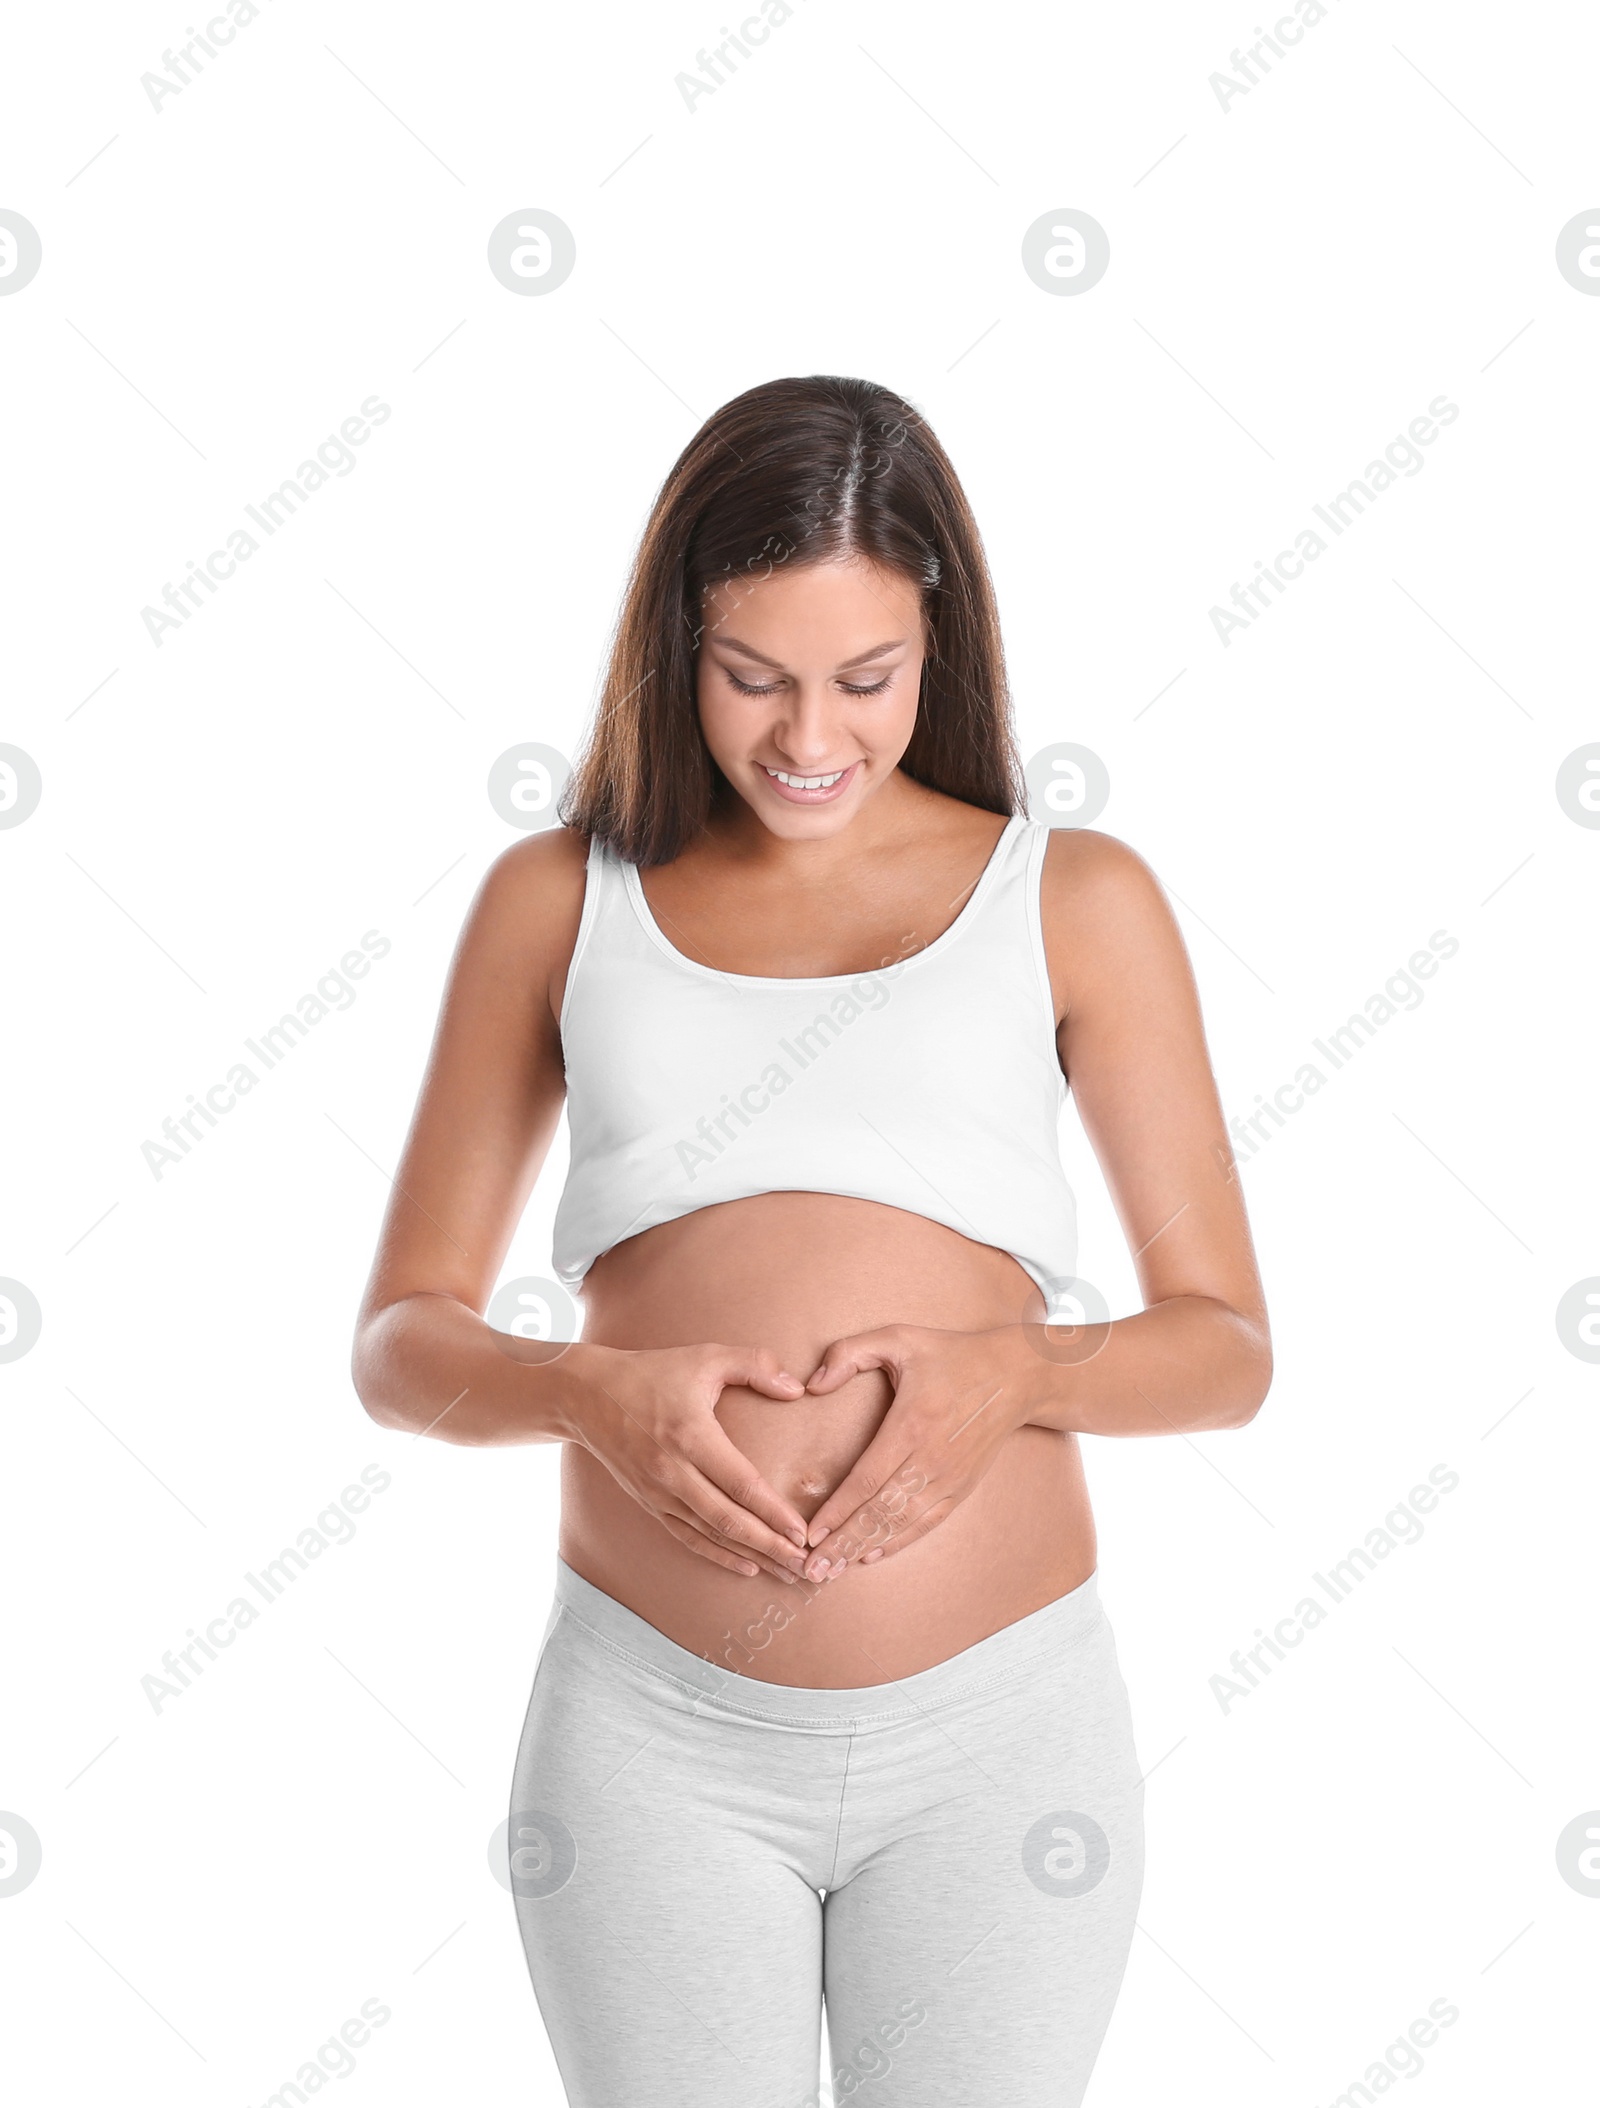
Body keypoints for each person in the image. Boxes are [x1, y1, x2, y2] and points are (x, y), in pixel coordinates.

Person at [351, 374, 1272, 2108]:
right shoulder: (563, 901)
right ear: (671, 646)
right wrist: (590, 1394)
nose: (808, 739)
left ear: (942, 642)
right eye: (751, 676)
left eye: (866, 678)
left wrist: (1012, 1374)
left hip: (1002, 1730)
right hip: (652, 1738)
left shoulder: (1072, 899)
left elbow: (1225, 1347)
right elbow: (402, 1340)